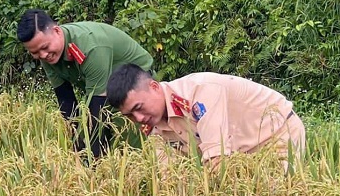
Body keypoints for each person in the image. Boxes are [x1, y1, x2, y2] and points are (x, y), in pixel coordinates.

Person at [107, 65, 306, 170]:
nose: (139, 118)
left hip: (277, 137)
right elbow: (169, 177)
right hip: (242, 155)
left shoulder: (200, 92)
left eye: (139, 107)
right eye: (130, 115)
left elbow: (217, 161)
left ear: (154, 86)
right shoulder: (156, 129)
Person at [17, 9, 153, 158]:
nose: (42, 55)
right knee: (87, 141)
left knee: (126, 137)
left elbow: (98, 109)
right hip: (104, 87)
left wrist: (94, 160)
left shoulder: (91, 46)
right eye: (34, 52)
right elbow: (66, 100)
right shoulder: (48, 56)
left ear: (56, 31)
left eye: (44, 47)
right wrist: (77, 144)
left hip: (135, 81)